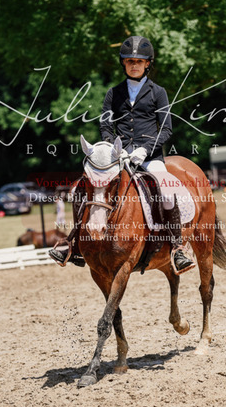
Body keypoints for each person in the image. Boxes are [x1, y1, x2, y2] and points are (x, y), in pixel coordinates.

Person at [49, 36, 194, 274]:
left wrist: (144, 150)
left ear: (147, 63)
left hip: (150, 157)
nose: (134, 65)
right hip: (120, 157)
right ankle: (74, 243)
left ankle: (177, 248)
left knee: (167, 192)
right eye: (129, 61)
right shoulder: (113, 93)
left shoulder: (158, 92)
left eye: (139, 61)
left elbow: (166, 129)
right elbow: (106, 126)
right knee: (81, 189)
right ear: (123, 63)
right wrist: (113, 148)